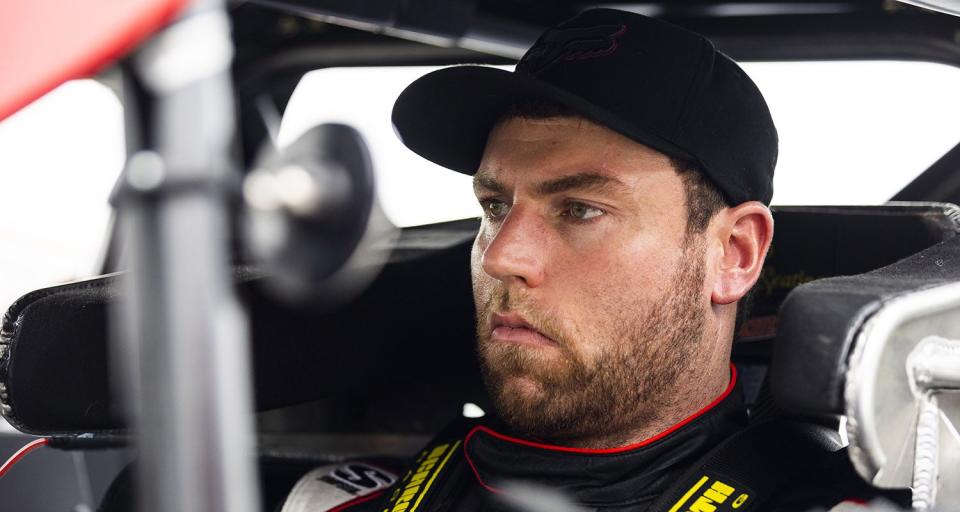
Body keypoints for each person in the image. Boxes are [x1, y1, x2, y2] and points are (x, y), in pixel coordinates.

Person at [273, 8, 905, 512]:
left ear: (733, 255)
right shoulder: (337, 501)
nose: (501, 257)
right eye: (494, 205)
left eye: (579, 209)